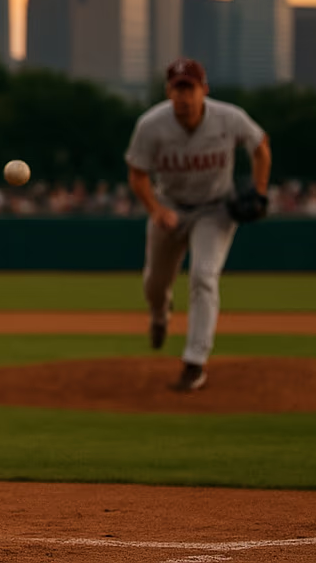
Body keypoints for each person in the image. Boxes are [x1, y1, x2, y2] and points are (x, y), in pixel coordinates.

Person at [125, 58, 271, 391]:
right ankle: (160, 316)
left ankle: (195, 362)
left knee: (204, 276)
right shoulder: (151, 125)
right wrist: (156, 210)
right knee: (154, 282)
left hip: (215, 210)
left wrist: (260, 191)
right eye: (177, 89)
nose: (183, 96)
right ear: (168, 92)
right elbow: (137, 174)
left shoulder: (228, 118)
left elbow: (261, 145)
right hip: (170, 207)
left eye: (189, 88)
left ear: (204, 90)